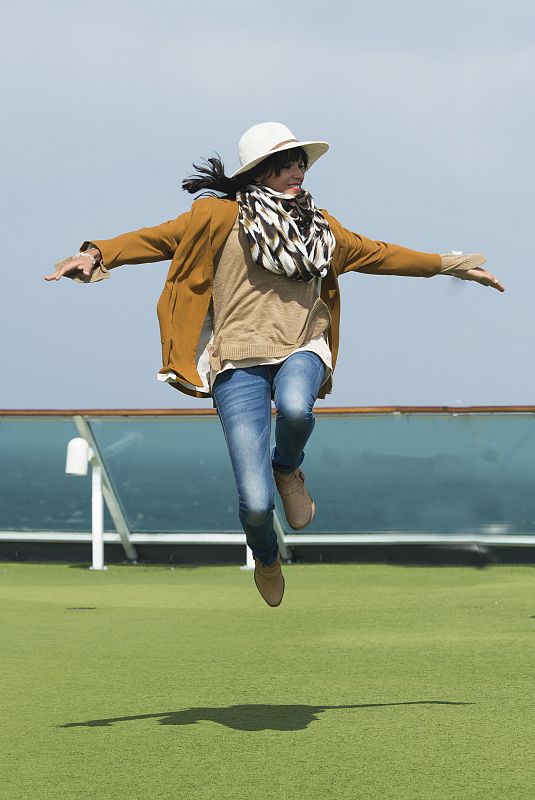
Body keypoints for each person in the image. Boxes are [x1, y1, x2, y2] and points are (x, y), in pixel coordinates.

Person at [45, 122, 504, 608]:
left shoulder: (321, 229)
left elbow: (381, 254)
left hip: (303, 345)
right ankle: (266, 557)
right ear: (260, 172)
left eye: (300, 164)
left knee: (296, 408)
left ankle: (287, 468)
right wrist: (95, 253)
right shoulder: (217, 217)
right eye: (286, 165)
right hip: (236, 361)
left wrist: (452, 264)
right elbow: (155, 239)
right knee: (256, 503)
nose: (297, 172)